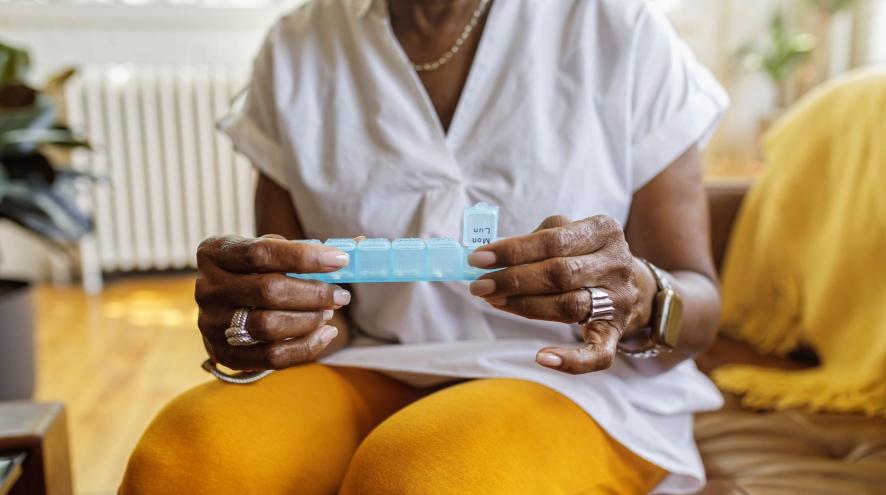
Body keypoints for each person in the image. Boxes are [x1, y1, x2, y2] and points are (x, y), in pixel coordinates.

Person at [121, 0, 728, 493]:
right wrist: (267, 317)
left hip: (578, 385)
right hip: (372, 366)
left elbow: (699, 301)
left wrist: (641, 296)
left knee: (425, 474)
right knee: (182, 461)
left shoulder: (618, 29)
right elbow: (324, 317)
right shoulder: (296, 49)